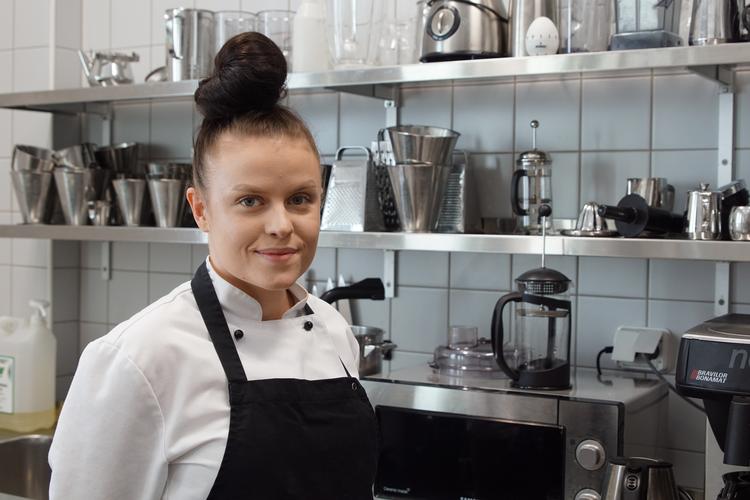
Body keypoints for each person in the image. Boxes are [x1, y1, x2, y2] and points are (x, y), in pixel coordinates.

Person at [48, 32, 378, 500]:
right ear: (200, 209)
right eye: (250, 201)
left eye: (300, 199)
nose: (282, 225)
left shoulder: (335, 331)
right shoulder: (139, 359)